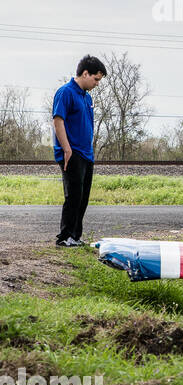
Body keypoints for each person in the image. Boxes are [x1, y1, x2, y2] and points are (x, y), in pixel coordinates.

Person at [52, 55, 106, 247]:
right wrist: (66, 149)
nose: (97, 84)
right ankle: (65, 236)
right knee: (73, 196)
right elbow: (58, 120)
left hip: (86, 154)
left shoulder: (87, 97)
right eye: (96, 79)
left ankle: (75, 236)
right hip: (71, 153)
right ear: (85, 73)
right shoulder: (65, 92)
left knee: (83, 197)